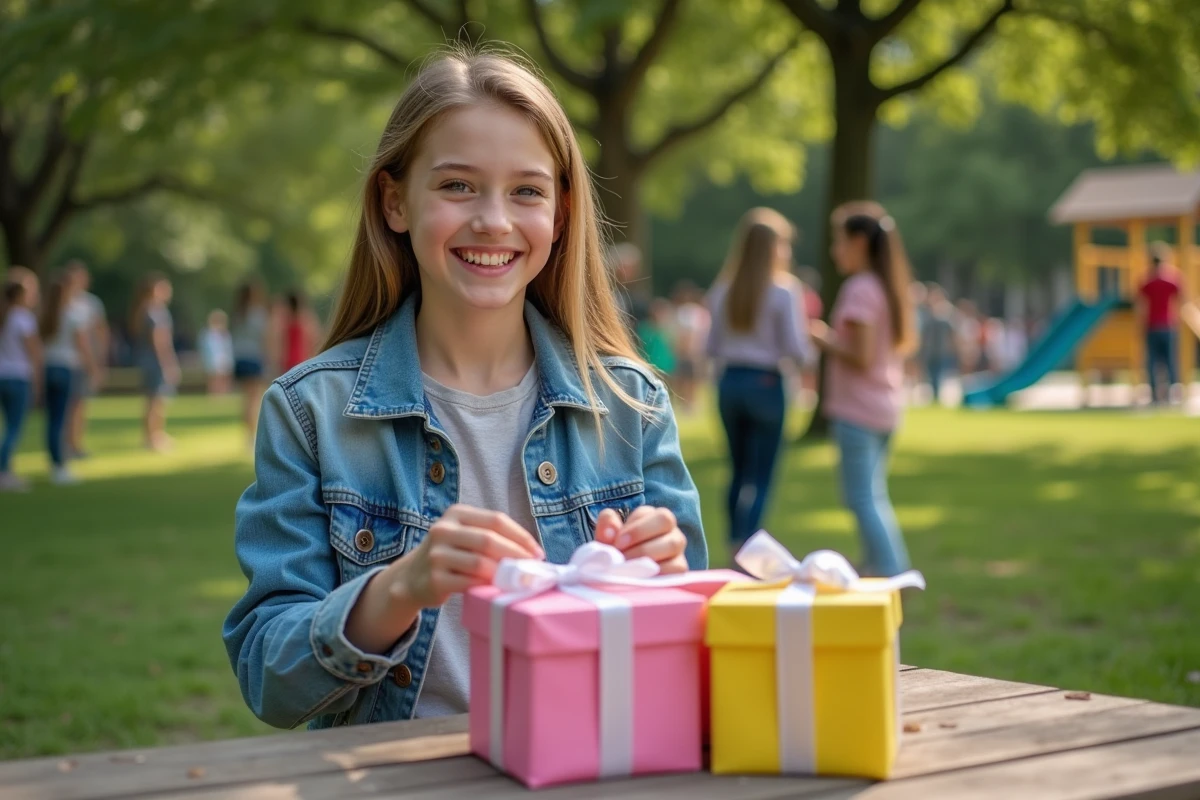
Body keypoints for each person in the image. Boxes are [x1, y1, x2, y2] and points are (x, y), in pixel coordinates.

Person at [223, 49, 706, 731]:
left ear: (561, 215)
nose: (493, 220)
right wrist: (399, 588)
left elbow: (689, 659)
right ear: (395, 202)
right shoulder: (310, 413)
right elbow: (270, 681)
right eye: (457, 186)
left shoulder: (632, 405)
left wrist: (670, 581)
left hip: (588, 769)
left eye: (527, 191)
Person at [809, 201, 915, 577]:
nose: (835, 250)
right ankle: (877, 566)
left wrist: (823, 338)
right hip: (884, 407)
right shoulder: (886, 287)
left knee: (861, 498)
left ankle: (891, 571)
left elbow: (862, 356)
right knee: (872, 495)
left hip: (860, 410)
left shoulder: (861, 289)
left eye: (839, 241)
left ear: (859, 242)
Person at [705, 207, 811, 551]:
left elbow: (711, 346)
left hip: (730, 382)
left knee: (737, 469)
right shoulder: (783, 291)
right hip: (766, 382)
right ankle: (749, 543)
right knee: (762, 472)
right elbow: (796, 349)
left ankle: (734, 537)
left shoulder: (722, 291)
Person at [40, 271, 97, 484]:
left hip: (49, 366)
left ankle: (55, 460)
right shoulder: (72, 314)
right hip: (66, 368)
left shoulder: (45, 314)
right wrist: (93, 367)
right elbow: (83, 344)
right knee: (61, 419)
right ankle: (60, 465)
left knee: (53, 419)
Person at [0, 271, 42, 491]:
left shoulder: (6, 316)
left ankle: (6, 467)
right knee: (13, 428)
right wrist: (38, 381)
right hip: (18, 377)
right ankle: (3, 470)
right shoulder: (23, 318)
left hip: (3, 375)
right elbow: (33, 353)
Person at [130, 273, 181, 451]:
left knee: (151, 400)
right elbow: (160, 341)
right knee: (158, 400)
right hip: (155, 361)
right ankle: (155, 436)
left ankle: (150, 436)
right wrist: (168, 363)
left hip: (145, 360)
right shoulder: (156, 312)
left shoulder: (143, 310)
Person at [63, 261, 109, 459]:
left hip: (83, 361)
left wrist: (99, 360)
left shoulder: (91, 303)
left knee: (80, 405)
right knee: (67, 406)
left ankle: (75, 444)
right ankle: (66, 446)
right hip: (66, 361)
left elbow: (101, 333)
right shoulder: (61, 302)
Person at [1138, 243, 1182, 406]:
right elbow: (1182, 298)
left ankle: (1155, 396)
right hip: (1168, 325)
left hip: (1151, 325)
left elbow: (1140, 304)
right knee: (1170, 360)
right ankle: (1172, 394)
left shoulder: (1146, 281)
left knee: (1153, 362)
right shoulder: (1172, 279)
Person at [230, 281, 273, 445]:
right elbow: (264, 338)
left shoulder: (238, 313)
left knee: (246, 399)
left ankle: (247, 435)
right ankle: (251, 436)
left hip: (240, 358)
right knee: (254, 400)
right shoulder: (258, 314)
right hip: (254, 358)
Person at [670, 281, 710, 412]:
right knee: (686, 378)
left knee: (691, 378)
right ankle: (686, 403)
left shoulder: (689, 311)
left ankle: (689, 403)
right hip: (688, 351)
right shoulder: (688, 311)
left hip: (690, 351)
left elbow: (692, 334)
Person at [919, 284, 957, 404]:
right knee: (931, 374)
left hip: (940, 350)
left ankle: (936, 395)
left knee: (937, 374)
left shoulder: (945, 313)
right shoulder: (927, 313)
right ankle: (934, 394)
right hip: (930, 350)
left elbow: (951, 333)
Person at [279, 290, 320, 373]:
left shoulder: (286, 320)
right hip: (301, 358)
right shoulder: (305, 319)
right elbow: (313, 339)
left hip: (289, 360)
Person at [199, 309, 234, 395]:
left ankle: (223, 395)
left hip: (224, 359)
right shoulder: (207, 334)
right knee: (214, 380)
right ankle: (214, 395)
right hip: (213, 360)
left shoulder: (225, 334)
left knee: (224, 379)